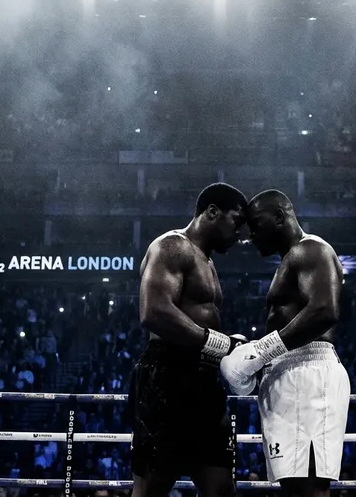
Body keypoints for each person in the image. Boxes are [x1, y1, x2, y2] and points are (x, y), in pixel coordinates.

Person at [221, 189, 349, 497]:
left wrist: (263, 349)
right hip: (290, 373)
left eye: (256, 224)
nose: (250, 235)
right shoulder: (291, 260)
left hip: (307, 370)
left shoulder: (311, 249)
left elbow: (324, 311)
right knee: (294, 483)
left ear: (280, 217)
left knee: (309, 486)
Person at [129, 182, 249, 497]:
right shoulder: (172, 246)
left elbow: (199, 323)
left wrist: (229, 343)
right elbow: (153, 312)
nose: (239, 233)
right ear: (212, 212)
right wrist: (222, 344)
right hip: (166, 375)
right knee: (152, 487)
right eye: (236, 221)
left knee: (221, 488)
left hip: (204, 381)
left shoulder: (207, 261)